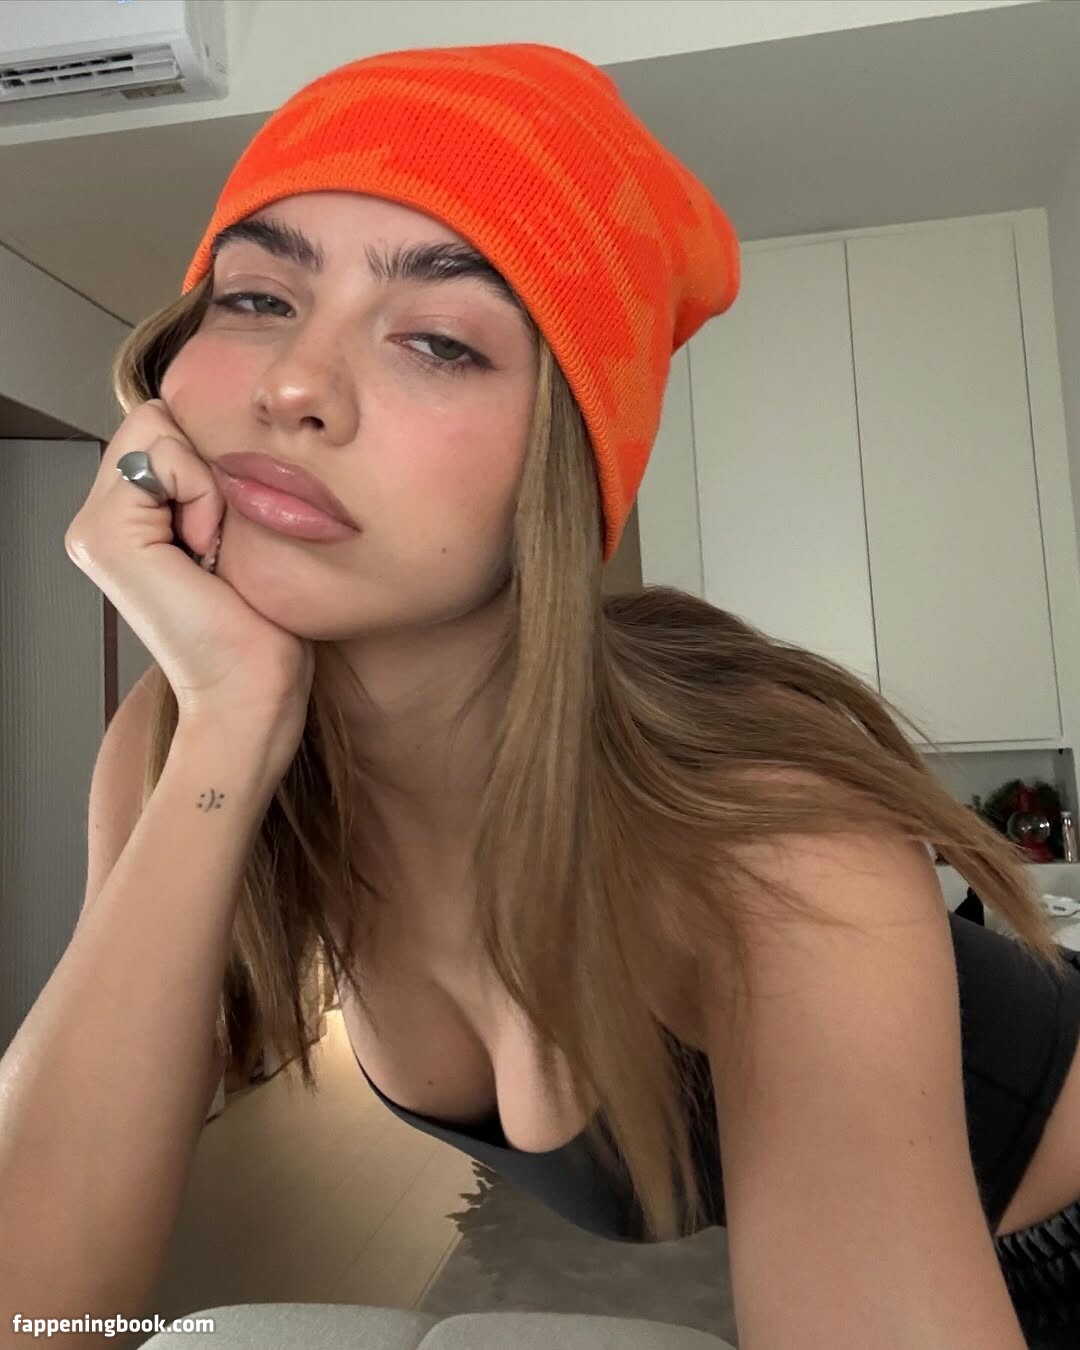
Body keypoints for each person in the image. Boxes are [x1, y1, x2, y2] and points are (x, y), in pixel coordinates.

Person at [2, 40, 1080, 1350]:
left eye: (439, 340)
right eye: (257, 296)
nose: (293, 385)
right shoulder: (179, 741)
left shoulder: (762, 825)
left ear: (565, 466)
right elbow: (32, 1309)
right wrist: (232, 721)